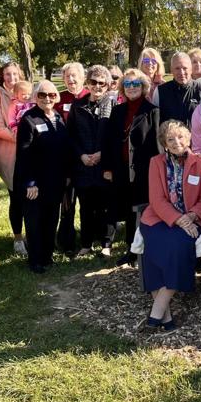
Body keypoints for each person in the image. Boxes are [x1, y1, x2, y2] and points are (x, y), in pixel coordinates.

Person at [140, 120, 201, 331]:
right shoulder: (156, 162)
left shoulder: (200, 163)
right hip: (159, 218)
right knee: (153, 248)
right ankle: (164, 317)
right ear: (164, 143)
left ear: (188, 138)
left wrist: (191, 216)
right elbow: (156, 199)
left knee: (179, 247)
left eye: (180, 137)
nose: (176, 142)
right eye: (170, 139)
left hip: (192, 220)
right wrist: (178, 219)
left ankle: (156, 314)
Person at [102, 68, 160, 266]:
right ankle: (131, 250)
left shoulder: (152, 111)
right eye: (128, 84)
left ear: (143, 87)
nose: (132, 87)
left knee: (143, 210)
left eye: (136, 84)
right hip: (121, 169)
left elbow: (157, 146)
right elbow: (109, 142)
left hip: (144, 171)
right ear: (122, 88)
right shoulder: (117, 111)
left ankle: (145, 250)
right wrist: (107, 168)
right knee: (128, 210)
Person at [15, 81, 72, 273]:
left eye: (51, 95)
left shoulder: (58, 117)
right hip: (35, 182)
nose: (47, 98)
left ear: (56, 97)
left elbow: (65, 150)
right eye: (42, 95)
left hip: (55, 180)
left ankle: (47, 256)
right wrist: (30, 183)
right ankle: (35, 260)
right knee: (35, 221)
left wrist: (67, 175)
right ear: (35, 97)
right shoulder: (29, 119)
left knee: (51, 219)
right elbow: (24, 154)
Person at [67, 64, 114, 257]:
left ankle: (106, 243)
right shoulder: (77, 106)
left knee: (105, 206)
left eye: (102, 83)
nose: (97, 86)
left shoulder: (113, 105)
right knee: (85, 206)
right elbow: (71, 135)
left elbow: (115, 137)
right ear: (87, 83)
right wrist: (81, 155)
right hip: (83, 164)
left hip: (104, 163)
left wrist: (102, 154)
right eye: (93, 82)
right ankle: (86, 243)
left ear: (108, 85)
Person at [0, 62, 28, 256]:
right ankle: (18, 237)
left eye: (15, 74)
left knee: (32, 195)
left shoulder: (27, 92)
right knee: (16, 196)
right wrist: (21, 137)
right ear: (2, 76)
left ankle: (33, 233)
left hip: (30, 153)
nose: (12, 78)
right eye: (8, 74)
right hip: (10, 154)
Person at [55, 62, 88, 255]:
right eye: (67, 76)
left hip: (87, 159)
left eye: (74, 75)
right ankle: (66, 242)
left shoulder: (89, 96)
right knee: (67, 204)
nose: (71, 79)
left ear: (83, 77)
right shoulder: (58, 99)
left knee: (88, 203)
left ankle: (89, 238)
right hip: (66, 159)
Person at [155, 52, 201, 126]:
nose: (181, 72)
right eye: (177, 68)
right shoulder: (160, 91)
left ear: (191, 69)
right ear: (171, 70)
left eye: (185, 68)